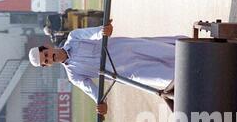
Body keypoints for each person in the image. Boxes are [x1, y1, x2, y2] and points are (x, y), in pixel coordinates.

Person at [29, 20, 184, 116]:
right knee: (168, 78)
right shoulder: (74, 75)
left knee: (172, 53)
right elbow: (94, 92)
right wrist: (100, 104)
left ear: (48, 47)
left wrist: (104, 30)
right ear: (48, 65)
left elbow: (95, 33)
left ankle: (203, 54)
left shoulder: (74, 37)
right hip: (130, 73)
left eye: (47, 54)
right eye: (46, 61)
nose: (50, 58)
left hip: (129, 48)